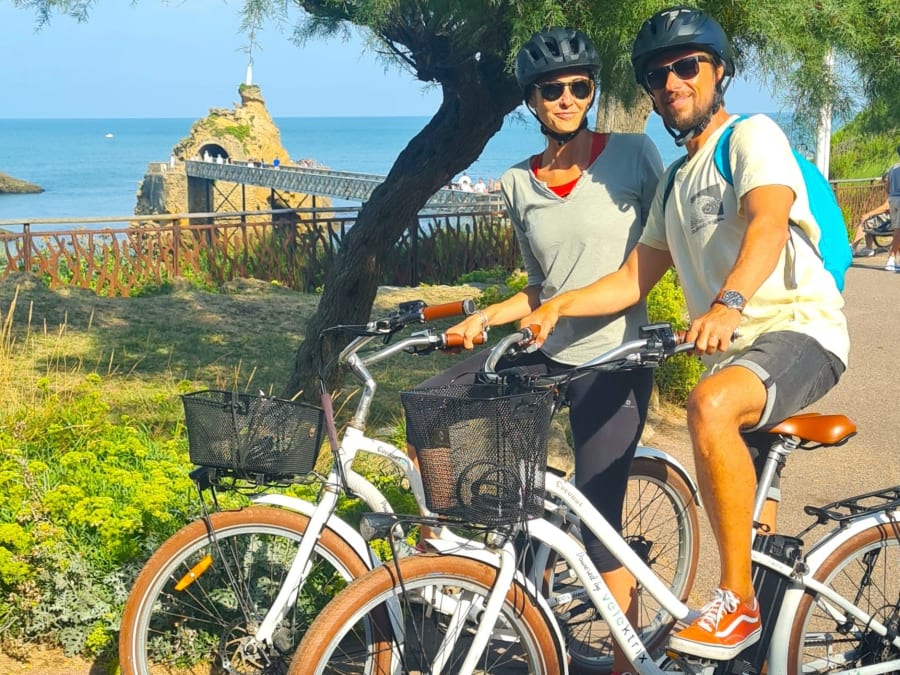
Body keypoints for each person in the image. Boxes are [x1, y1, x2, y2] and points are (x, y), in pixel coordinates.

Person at [519, 7, 849, 662]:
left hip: (798, 332)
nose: (672, 82)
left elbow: (766, 222)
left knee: (710, 405)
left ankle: (737, 603)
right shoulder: (673, 182)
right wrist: (555, 308)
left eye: (687, 66)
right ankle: (759, 636)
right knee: (748, 526)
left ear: (719, 71)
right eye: (657, 75)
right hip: (737, 359)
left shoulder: (750, 138)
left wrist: (728, 303)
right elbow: (632, 279)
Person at [408, 27, 662, 675]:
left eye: (580, 86)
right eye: (553, 89)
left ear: (592, 91)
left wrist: (559, 307)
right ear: (532, 101)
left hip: (615, 355)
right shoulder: (519, 183)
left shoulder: (634, 155)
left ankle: (628, 662)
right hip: (546, 349)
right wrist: (487, 317)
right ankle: (443, 557)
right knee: (433, 403)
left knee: (599, 522)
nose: (568, 97)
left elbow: (650, 265)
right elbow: (538, 289)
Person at [850, 172, 891, 257]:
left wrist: (868, 214)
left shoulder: (894, 190)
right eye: (884, 182)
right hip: (893, 217)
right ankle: (868, 248)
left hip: (891, 219)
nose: (884, 184)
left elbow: (886, 206)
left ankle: (853, 247)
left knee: (865, 222)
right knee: (870, 221)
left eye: (885, 182)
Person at [882, 146, 900, 271]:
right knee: (898, 231)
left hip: (892, 199)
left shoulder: (893, 168)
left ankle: (893, 259)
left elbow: (887, 185)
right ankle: (891, 258)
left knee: (896, 230)